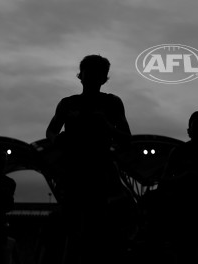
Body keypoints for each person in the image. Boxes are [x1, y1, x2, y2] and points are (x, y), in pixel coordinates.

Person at [45, 54, 132, 264]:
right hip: (74, 173)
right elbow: (50, 132)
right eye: (89, 73)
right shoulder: (67, 104)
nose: (93, 77)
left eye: (98, 74)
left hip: (100, 174)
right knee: (74, 231)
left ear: (104, 78)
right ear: (81, 76)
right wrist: (59, 140)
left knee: (98, 230)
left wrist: (107, 126)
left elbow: (127, 138)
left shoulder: (112, 103)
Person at [160, 110, 198, 264]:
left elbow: (164, 181)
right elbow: (164, 181)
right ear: (190, 131)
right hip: (186, 214)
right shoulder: (179, 152)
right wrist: (185, 177)